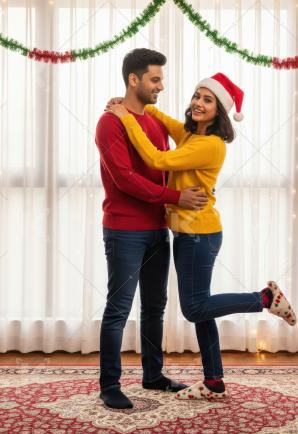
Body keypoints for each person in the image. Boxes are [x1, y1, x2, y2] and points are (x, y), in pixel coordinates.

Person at [106, 72, 297, 400]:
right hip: (188, 234)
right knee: (204, 307)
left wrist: (125, 117)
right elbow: (168, 122)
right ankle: (214, 381)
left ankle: (265, 299)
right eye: (197, 95)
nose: (198, 102)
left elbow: (157, 158)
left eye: (208, 100)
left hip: (199, 235)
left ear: (219, 111)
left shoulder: (209, 145)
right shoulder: (193, 136)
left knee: (195, 309)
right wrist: (138, 108)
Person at [95, 48, 208, 409]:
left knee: (155, 307)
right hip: (124, 230)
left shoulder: (156, 122)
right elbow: (125, 179)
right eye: (155, 79)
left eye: (161, 79)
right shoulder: (110, 123)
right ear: (134, 79)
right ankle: (109, 385)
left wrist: (198, 184)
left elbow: (177, 159)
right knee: (119, 309)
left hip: (158, 229)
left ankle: (153, 375)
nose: (161, 85)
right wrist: (175, 195)